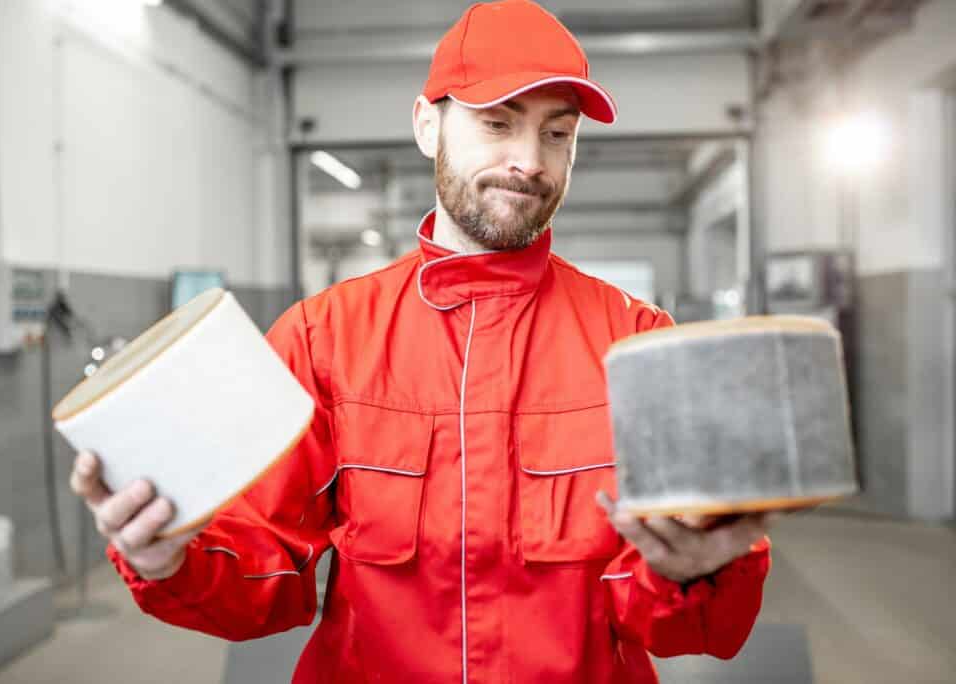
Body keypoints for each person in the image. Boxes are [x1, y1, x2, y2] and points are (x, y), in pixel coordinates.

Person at [69, 1, 772, 681]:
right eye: (498, 124)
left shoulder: (638, 343)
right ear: (426, 127)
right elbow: (264, 570)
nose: (529, 160)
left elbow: (680, 627)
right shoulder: (324, 340)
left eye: (557, 134)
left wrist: (696, 569)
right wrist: (171, 560)